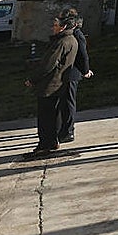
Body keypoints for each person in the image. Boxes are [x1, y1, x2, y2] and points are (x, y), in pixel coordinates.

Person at [24, 15, 79, 156]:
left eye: (55, 25)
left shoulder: (62, 42)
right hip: (58, 83)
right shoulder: (72, 40)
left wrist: (33, 79)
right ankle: (52, 141)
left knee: (45, 117)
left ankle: (46, 144)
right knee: (53, 115)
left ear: (63, 26)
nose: (53, 28)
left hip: (50, 84)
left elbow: (49, 64)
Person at [56, 9, 93, 144]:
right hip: (67, 73)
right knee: (64, 103)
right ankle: (63, 129)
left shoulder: (77, 34)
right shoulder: (72, 34)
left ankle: (68, 131)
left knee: (68, 103)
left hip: (72, 73)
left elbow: (83, 55)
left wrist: (85, 70)